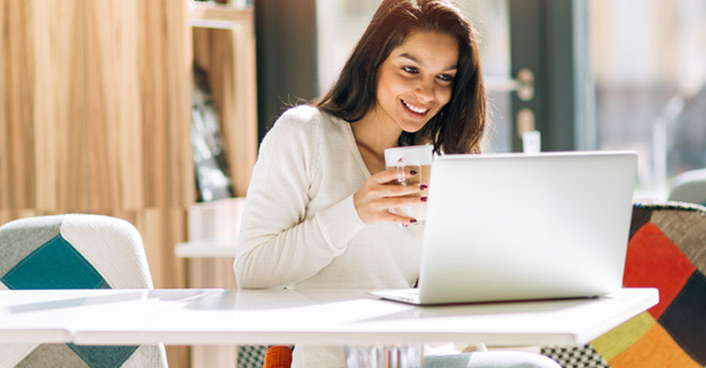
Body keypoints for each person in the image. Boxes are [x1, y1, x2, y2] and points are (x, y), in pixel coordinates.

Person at [235, 0, 561, 367]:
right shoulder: (305, 134)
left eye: (445, 77)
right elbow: (252, 271)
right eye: (410, 69)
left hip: (422, 353)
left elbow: (439, 289)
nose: (426, 92)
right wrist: (356, 211)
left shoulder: (432, 160)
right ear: (372, 62)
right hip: (337, 357)